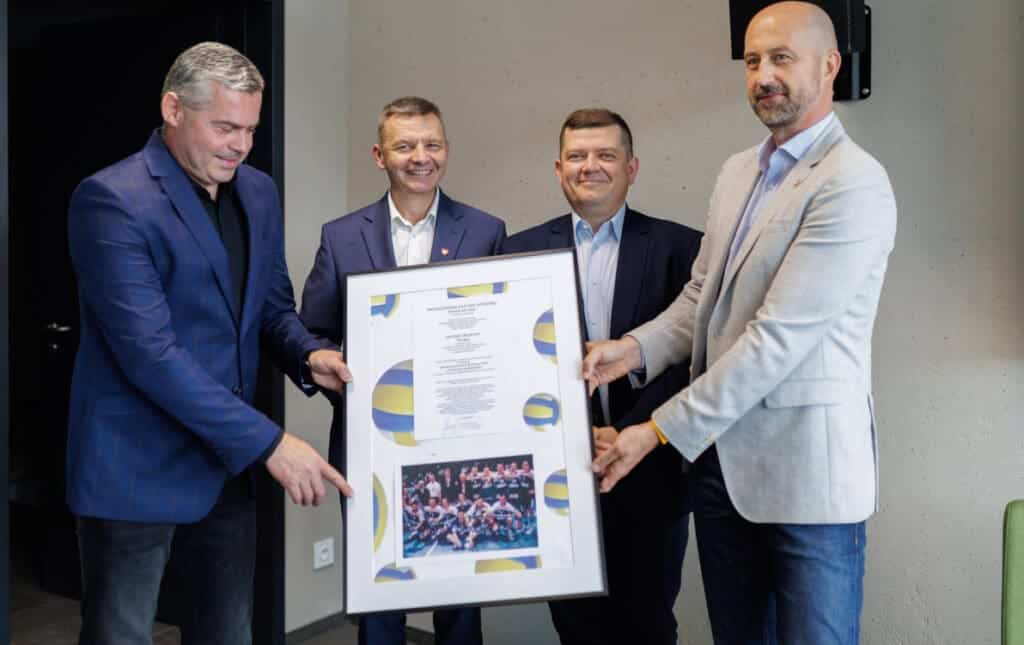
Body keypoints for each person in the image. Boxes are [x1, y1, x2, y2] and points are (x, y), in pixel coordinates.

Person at [585, 4, 898, 643]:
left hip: (807, 485)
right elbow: (702, 295)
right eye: (753, 61)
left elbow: (776, 340)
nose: (763, 76)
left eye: (782, 58)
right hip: (721, 475)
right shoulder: (737, 172)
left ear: (830, 65)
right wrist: (633, 350)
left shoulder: (853, 183)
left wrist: (655, 431)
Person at [65, 42, 353, 645]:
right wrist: (271, 442)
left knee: (228, 632)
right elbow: (151, 354)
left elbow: (269, 307)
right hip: (135, 468)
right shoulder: (111, 200)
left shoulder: (259, 192)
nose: (240, 145)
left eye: (250, 129)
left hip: (226, 465)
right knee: (120, 634)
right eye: (224, 127)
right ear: (173, 109)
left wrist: (308, 355)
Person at [299, 96, 505, 645]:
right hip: (371, 438)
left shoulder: (485, 230)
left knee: (459, 588)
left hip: (460, 438)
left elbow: (500, 334)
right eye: (405, 146)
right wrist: (327, 367)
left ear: (447, 150)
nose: (420, 157)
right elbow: (313, 332)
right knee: (380, 592)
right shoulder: (341, 235)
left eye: (432, 144)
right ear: (379, 155)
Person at [502, 107, 702, 645]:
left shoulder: (682, 248)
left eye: (606, 155)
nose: (590, 166)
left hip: (650, 467)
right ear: (558, 168)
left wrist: (631, 429)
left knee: (649, 623)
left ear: (631, 168)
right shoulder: (518, 251)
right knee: (575, 626)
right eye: (577, 156)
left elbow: (692, 359)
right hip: (557, 473)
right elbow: (510, 363)